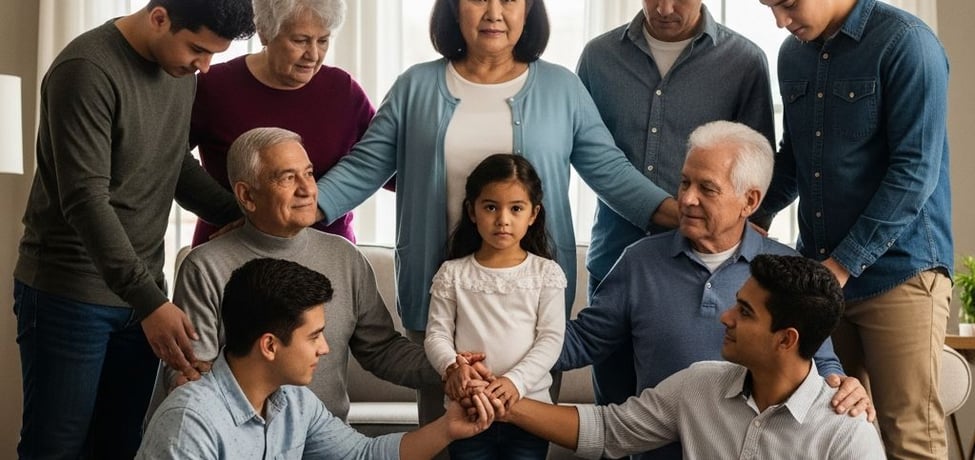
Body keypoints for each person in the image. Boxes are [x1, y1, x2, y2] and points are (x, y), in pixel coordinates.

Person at [315, 0, 678, 427]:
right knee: (445, 437)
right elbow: (364, 167)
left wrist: (683, 215)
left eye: (508, 0)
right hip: (440, 304)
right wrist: (300, 207)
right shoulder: (415, 86)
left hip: (534, 310)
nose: (493, 13)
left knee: (527, 438)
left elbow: (611, 172)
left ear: (529, 10)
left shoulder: (562, 88)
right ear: (454, 9)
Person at [12, 1, 255, 457]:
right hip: (70, 293)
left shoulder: (179, 72)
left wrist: (241, 215)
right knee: (56, 448)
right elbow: (85, 200)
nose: (204, 66)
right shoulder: (86, 69)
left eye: (212, 55)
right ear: (159, 17)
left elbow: (174, 164)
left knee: (122, 445)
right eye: (198, 49)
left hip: (139, 295)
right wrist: (151, 303)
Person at [555, 121, 872, 460]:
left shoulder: (786, 271)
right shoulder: (639, 261)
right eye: (684, 182)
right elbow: (582, 342)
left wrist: (844, 388)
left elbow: (817, 360)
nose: (686, 199)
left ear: (749, 201)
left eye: (707, 188)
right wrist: (511, 345)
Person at [754, 1, 953, 457]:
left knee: (910, 437)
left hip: (900, 274)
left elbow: (914, 173)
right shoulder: (792, 54)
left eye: (787, 3)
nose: (780, 21)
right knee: (828, 431)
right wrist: (754, 216)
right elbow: (794, 158)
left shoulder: (907, 44)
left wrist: (842, 265)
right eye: (769, 6)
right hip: (822, 276)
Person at [152, 127, 440, 422]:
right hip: (241, 438)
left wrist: (449, 368)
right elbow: (193, 374)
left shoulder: (345, 257)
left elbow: (382, 350)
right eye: (288, 178)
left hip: (329, 438)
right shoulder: (205, 266)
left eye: (309, 174)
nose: (307, 189)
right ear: (247, 195)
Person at [578, 0, 775, 409]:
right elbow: (590, 158)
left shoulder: (744, 61)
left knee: (707, 412)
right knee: (612, 413)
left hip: (706, 278)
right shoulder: (598, 57)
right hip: (613, 258)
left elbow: (756, 171)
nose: (664, 8)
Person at [495, 255, 885, 459]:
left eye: (745, 312)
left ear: (786, 339)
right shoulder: (700, 384)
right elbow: (609, 430)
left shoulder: (846, 434)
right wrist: (503, 403)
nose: (726, 317)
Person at [138, 257, 495, 459]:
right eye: (313, 336)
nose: (324, 348)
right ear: (269, 346)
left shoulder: (294, 403)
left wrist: (448, 428)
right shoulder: (190, 422)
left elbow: (363, 455)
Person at [189, 0, 375, 246]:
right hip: (230, 245)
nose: (313, 55)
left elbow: (381, 163)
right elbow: (170, 162)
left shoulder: (343, 90)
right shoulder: (213, 87)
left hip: (326, 250)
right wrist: (229, 212)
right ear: (265, 33)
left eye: (323, 40)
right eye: (300, 40)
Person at [425, 154, 566, 459]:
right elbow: (436, 334)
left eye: (516, 208)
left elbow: (551, 339)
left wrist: (515, 382)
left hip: (530, 411)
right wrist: (453, 367)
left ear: (533, 214)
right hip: (468, 408)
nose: (503, 219)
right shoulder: (452, 273)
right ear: (472, 211)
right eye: (491, 207)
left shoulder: (546, 273)